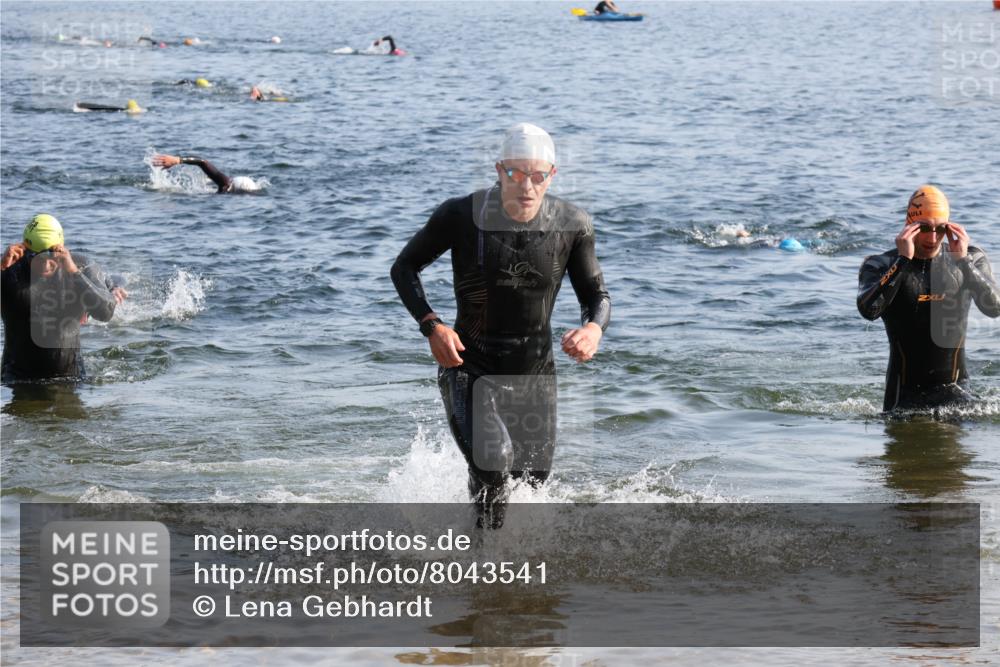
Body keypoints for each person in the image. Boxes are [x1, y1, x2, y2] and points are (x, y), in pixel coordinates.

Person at [391, 123, 611, 528]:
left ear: (551, 175)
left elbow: (596, 296)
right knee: (493, 468)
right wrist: (432, 325)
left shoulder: (572, 225)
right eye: (515, 173)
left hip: (534, 374)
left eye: (537, 176)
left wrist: (593, 329)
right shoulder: (460, 215)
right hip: (468, 367)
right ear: (498, 170)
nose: (526, 185)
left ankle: (504, 569)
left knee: (532, 480)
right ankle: (486, 564)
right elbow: (404, 267)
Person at [857, 185, 1000, 412]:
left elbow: (994, 307)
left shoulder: (970, 258)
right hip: (902, 399)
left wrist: (963, 261)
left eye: (941, 228)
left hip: (957, 395)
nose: (933, 238)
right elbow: (868, 309)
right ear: (910, 225)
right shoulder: (881, 265)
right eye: (924, 228)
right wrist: (902, 262)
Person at [1, 214, 124, 384]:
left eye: (52, 257)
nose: (45, 265)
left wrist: (74, 273)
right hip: (17, 381)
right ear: (24, 250)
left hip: (70, 379)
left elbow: (106, 312)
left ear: (61, 249)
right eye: (36, 258)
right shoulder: (9, 268)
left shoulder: (80, 265)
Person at [151, 154, 261, 193]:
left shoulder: (225, 186)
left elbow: (202, 162)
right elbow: (202, 162)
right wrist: (177, 160)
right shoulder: (224, 183)